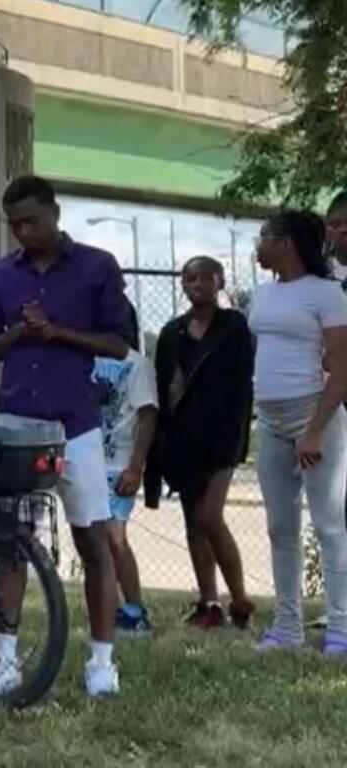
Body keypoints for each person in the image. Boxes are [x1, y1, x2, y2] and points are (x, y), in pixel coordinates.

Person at [0, 175, 128, 698]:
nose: (23, 232)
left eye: (31, 221)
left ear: (55, 214)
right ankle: (5, 660)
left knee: (94, 542)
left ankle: (102, 661)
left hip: (75, 425)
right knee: (12, 544)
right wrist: (20, 332)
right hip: (16, 426)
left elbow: (118, 344)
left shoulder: (96, 267)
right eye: (14, 224)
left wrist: (57, 331)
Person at [248, 211, 347, 654]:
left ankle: (341, 631)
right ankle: (287, 628)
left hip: (313, 417)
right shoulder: (262, 294)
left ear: (286, 244)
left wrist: (313, 430)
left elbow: (342, 366)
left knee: (329, 526)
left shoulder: (327, 294)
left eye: (264, 237)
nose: (257, 243)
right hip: (268, 420)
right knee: (279, 528)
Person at [145, 256, 254, 629]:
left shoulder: (234, 327)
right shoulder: (172, 332)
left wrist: (236, 434)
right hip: (182, 440)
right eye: (188, 278)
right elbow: (163, 388)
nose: (195, 285)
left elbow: (241, 388)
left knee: (210, 516)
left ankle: (240, 600)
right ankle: (209, 603)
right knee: (194, 523)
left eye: (204, 278)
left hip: (222, 439)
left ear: (219, 281)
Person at [92, 302, 157, 636]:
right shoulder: (86, 360)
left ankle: (134, 608)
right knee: (97, 540)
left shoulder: (137, 365)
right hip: (89, 461)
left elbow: (148, 417)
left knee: (115, 538)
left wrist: (136, 467)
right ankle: (109, 607)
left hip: (119, 465)